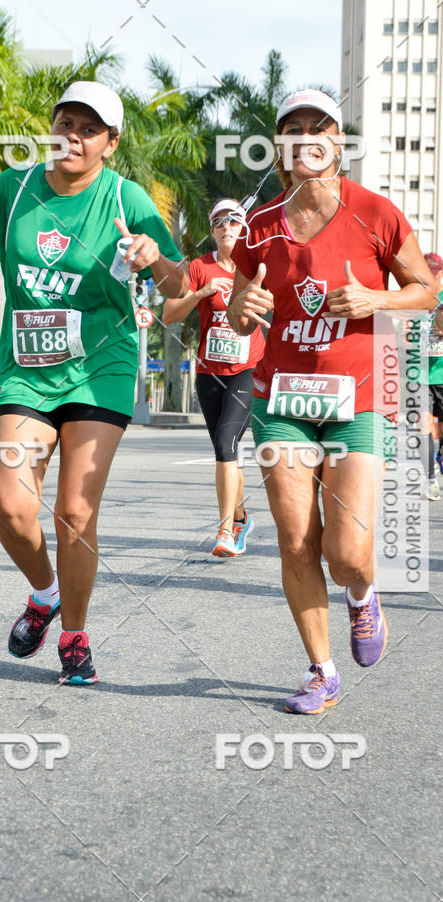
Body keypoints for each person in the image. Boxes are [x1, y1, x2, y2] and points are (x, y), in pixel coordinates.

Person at [0, 81, 187, 685]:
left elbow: (176, 286)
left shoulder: (126, 198)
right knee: (9, 506)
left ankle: (76, 637)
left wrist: (151, 258)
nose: (74, 137)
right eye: (65, 123)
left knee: (75, 512)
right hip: (27, 371)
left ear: (110, 143)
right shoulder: (17, 188)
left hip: (101, 368)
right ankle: (45, 592)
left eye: (89, 129)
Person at [226, 89, 437, 714]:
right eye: (291, 129)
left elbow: (426, 291)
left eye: (318, 127)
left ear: (338, 143)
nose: (305, 137)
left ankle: (362, 595)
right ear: (282, 149)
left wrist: (378, 300)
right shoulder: (260, 227)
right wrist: (243, 311)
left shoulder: (376, 213)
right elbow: (240, 318)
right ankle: (321, 672)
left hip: (357, 400)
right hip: (281, 399)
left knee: (347, 553)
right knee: (296, 541)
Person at [162, 199, 265, 556]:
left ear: (244, 228)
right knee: (227, 453)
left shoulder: (256, 267)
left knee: (225, 445)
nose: (226, 227)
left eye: (234, 221)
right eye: (219, 222)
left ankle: (225, 532)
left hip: (247, 369)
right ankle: (240, 517)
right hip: (210, 373)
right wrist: (200, 293)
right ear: (212, 230)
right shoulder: (199, 267)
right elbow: (168, 315)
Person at [417, 253, 443, 500]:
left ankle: (439, 459)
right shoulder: (415, 300)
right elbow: (405, 340)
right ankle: (430, 479)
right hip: (421, 376)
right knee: (422, 427)